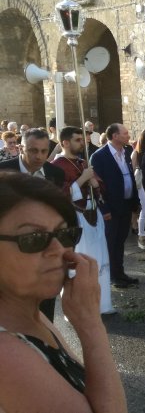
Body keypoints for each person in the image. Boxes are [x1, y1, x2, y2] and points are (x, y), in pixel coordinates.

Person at [0, 173, 128, 412]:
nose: (58, 249)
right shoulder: (5, 354)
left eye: (64, 234)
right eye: (33, 238)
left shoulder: (31, 316)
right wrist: (90, 324)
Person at [0, 128, 67, 320]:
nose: (39, 156)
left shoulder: (56, 174)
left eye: (44, 151)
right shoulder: (3, 171)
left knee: (44, 305)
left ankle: (45, 343)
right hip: (12, 249)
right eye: (33, 151)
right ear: (22, 148)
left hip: (46, 247)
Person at [51, 126, 114, 315]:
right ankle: (81, 310)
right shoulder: (56, 166)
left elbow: (100, 187)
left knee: (98, 261)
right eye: (78, 139)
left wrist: (95, 183)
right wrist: (81, 180)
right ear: (65, 142)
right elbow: (58, 195)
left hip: (93, 217)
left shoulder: (83, 162)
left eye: (82, 139)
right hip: (75, 218)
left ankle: (102, 305)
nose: (82, 142)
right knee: (80, 264)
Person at [90, 123, 140, 288]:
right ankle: (113, 276)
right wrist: (104, 209)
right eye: (125, 133)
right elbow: (97, 187)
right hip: (110, 207)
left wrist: (135, 201)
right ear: (115, 136)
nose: (128, 135)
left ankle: (120, 273)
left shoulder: (125, 152)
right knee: (111, 242)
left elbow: (130, 177)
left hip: (125, 205)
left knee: (121, 241)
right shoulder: (100, 156)